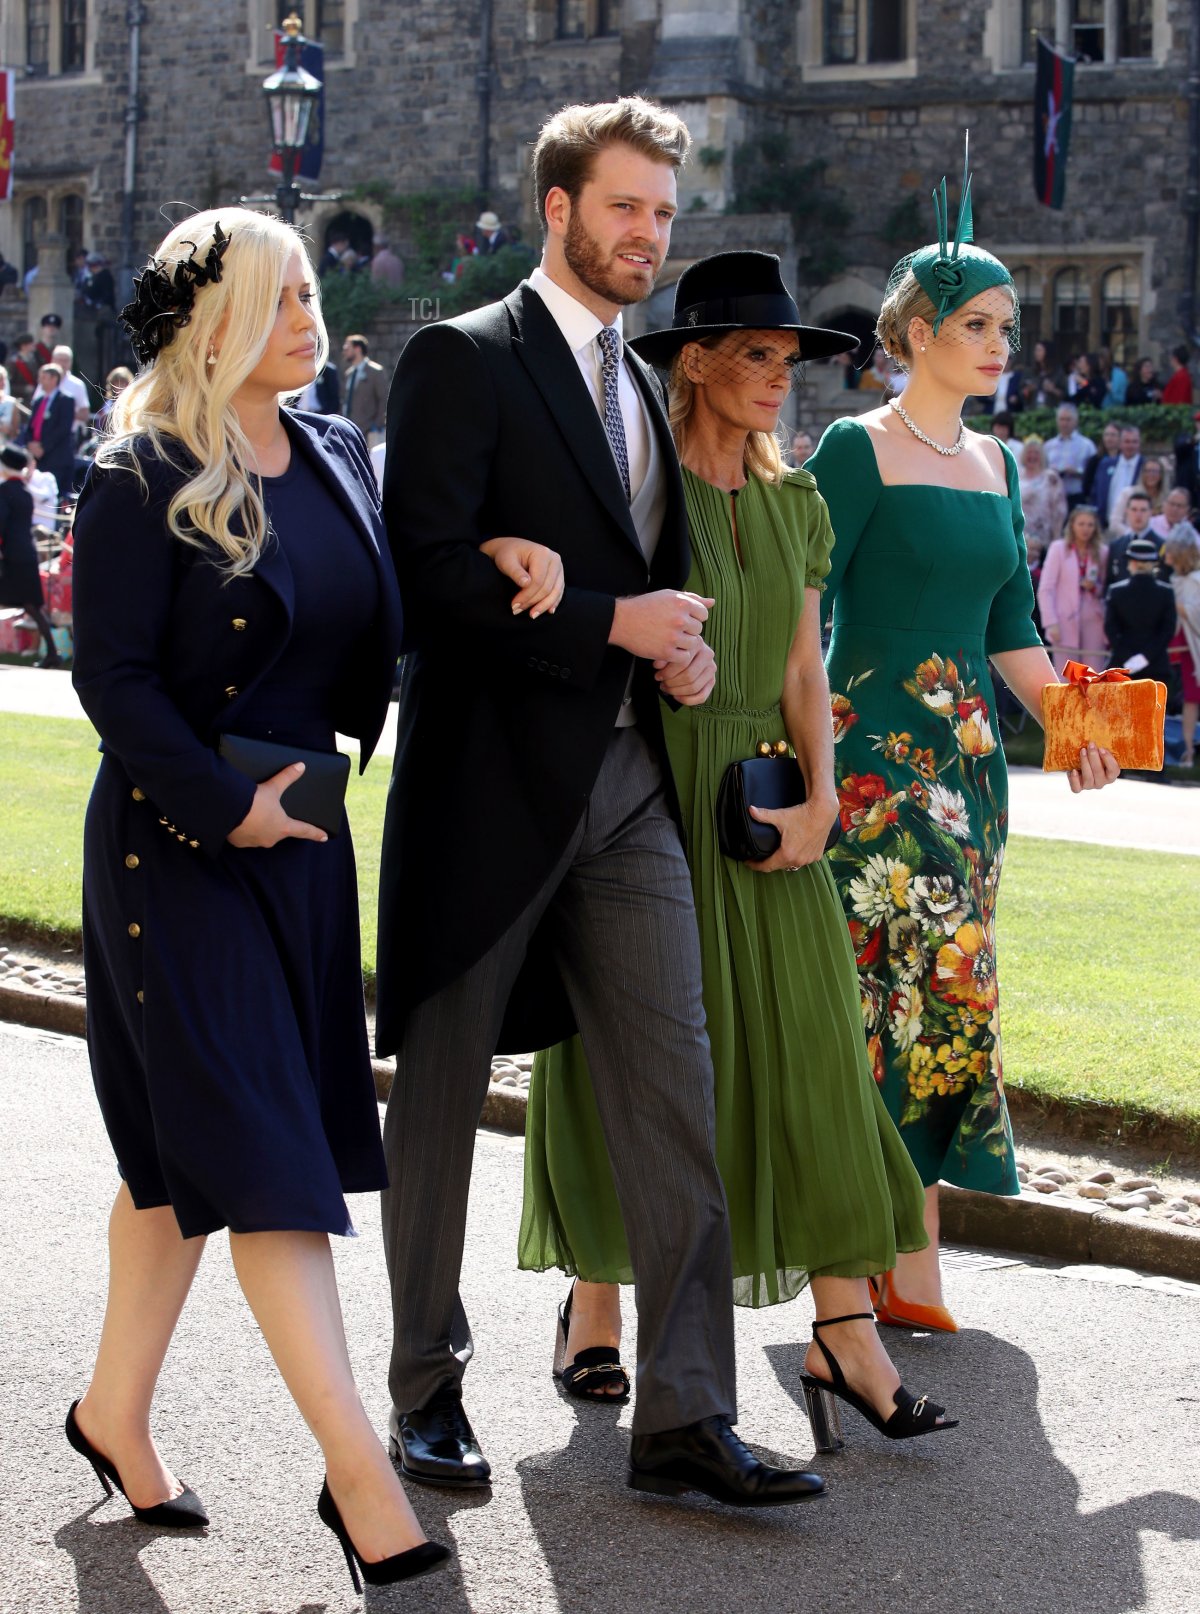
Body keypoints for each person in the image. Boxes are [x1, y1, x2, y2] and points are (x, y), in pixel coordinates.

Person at [375, 96, 822, 1510]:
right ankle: (426, 1388)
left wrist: (675, 649)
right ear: (559, 209)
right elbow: (432, 581)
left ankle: (687, 1414)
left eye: (665, 216)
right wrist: (612, 621)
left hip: (630, 790)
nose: (649, 236)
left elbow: (650, 583)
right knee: (444, 1101)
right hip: (483, 790)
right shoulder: (462, 358)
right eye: (626, 208)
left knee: (677, 1093)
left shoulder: (640, 386)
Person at [65, 207, 451, 1595]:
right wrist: (224, 804)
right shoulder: (138, 470)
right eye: (285, 294)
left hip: (305, 856)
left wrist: (525, 576)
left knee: (183, 1158)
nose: (314, 311)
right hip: (180, 851)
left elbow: (390, 602)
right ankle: (362, 1475)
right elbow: (109, 681)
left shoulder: (338, 446)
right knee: (271, 1155)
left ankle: (111, 1413)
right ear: (218, 316)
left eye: (312, 289)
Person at [518, 251, 955, 1451]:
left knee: (813, 1062)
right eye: (754, 357)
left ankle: (842, 1329)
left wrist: (820, 802)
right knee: (644, 1070)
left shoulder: (800, 499)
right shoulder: (639, 498)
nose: (778, 379)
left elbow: (807, 671)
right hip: (649, 800)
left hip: (771, 808)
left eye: (791, 360)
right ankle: (596, 1295)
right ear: (695, 364)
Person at [806, 156, 1119, 1330]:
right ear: (919, 331)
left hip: (973, 772)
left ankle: (900, 1242)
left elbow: (1014, 632)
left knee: (941, 998)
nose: (1002, 345)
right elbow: (800, 610)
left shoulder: (993, 463)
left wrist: (1083, 730)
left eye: (1009, 326)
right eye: (980, 325)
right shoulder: (853, 447)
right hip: (874, 765)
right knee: (905, 999)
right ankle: (897, 1250)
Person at [0, 444, 61, 666]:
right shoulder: (25, 493)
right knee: (32, 606)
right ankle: (53, 652)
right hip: (26, 553)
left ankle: (53, 653)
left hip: (11, 556)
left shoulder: (5, 491)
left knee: (30, 606)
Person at [1038, 504, 1109, 675]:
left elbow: (1104, 588)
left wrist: (1095, 587)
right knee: (1067, 677)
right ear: (1072, 525)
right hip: (1063, 622)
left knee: (1094, 677)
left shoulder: (1102, 551)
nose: (1085, 529)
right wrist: (1051, 622)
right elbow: (1046, 588)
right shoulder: (1058, 549)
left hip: (1094, 621)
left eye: (1090, 524)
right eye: (1081, 524)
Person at [1104, 533, 1176, 685]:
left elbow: (1110, 628)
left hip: (1122, 666)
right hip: (1157, 666)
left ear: (1132, 563)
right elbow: (1168, 630)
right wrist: (1146, 657)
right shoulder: (1166, 592)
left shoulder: (1116, 591)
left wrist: (1128, 657)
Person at [1164, 530, 1200, 766]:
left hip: (1193, 645)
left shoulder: (1196, 579)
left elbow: (1195, 612)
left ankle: (1189, 750)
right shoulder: (1174, 579)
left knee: (1192, 697)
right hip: (1180, 646)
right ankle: (1185, 750)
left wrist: (1172, 603)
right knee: (1186, 697)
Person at [18, 363, 76, 498]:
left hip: (56, 457)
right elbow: (31, 425)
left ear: (54, 379)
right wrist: (30, 444)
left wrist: (43, 447)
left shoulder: (66, 400)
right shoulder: (38, 401)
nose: (40, 381)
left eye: (43, 377)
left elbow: (64, 428)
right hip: (38, 458)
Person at [1015, 434, 1066, 577]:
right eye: (1029, 453)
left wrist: (1056, 536)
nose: (1032, 456)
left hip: (1043, 536)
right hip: (1019, 534)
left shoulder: (1050, 477)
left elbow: (1059, 510)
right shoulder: (1016, 475)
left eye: (1036, 453)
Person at [1104, 488, 1158, 592]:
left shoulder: (1161, 545)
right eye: (1134, 509)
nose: (1138, 515)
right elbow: (1110, 581)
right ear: (1127, 511)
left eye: (1143, 510)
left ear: (1151, 512)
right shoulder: (1116, 546)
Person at [1044, 401, 1096, 509]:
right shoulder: (1048, 446)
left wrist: (1077, 472)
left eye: (1068, 419)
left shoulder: (1087, 445)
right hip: (1052, 497)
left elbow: (1094, 474)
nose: (1064, 423)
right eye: (1062, 419)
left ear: (1075, 421)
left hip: (1077, 495)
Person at [1092, 424, 1143, 530]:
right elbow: (1095, 493)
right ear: (1120, 443)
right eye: (1127, 441)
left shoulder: (1145, 466)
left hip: (1134, 527)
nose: (1130, 446)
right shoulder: (1105, 464)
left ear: (1139, 444)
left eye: (1134, 442)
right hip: (1105, 526)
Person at [341, 334, 387, 439]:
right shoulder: (349, 373)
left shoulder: (375, 371)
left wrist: (376, 425)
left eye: (347, 348)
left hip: (368, 431)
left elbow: (383, 399)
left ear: (357, 349)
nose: (344, 352)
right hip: (349, 429)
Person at [1081, 419, 1121, 505]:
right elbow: (1087, 485)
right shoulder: (1094, 460)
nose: (1109, 438)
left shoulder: (1124, 460)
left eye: (1113, 435)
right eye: (1106, 435)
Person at [93, 365, 133, 434]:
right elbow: (100, 423)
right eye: (117, 383)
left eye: (123, 383)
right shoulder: (109, 403)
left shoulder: (133, 401)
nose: (119, 386)